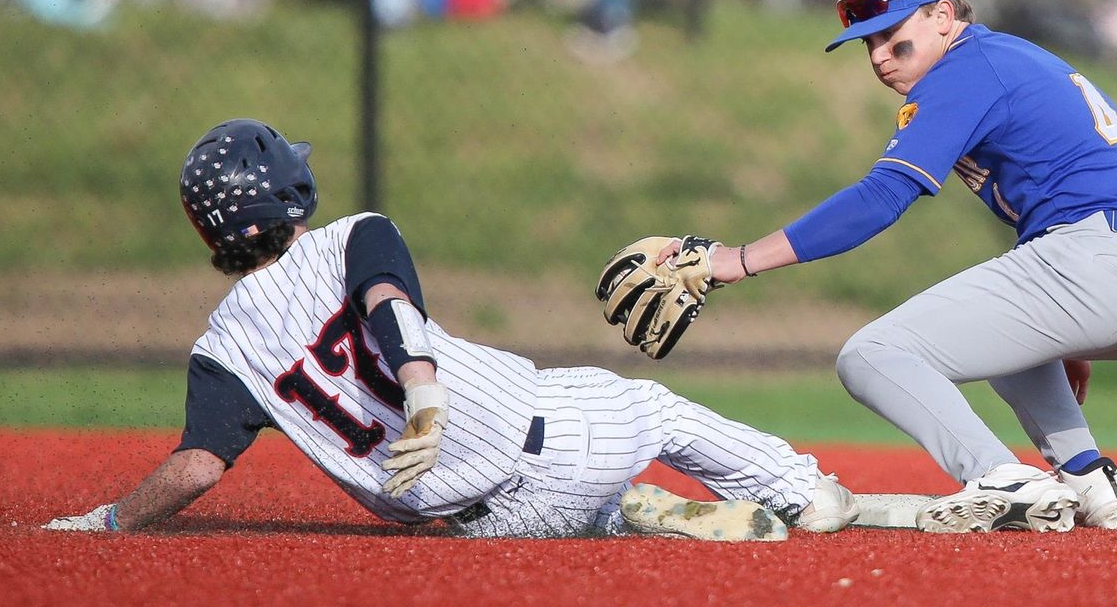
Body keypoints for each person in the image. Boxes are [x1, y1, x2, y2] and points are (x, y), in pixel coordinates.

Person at [43, 118, 858, 540]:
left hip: (476, 526)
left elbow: (192, 471)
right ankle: (806, 492)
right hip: (549, 436)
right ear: (289, 192)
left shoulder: (221, 349)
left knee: (592, 513)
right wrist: (423, 396)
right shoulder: (351, 235)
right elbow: (387, 305)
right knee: (656, 410)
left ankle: (637, 513)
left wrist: (107, 520)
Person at [651, 0, 1117, 533]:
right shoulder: (1006, 59)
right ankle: (1089, 479)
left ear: (943, 17)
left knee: (871, 356)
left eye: (894, 37)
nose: (881, 57)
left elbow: (881, 198)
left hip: (1097, 263)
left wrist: (735, 260)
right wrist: (1073, 332)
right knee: (1002, 345)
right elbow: (1090, 186)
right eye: (869, 44)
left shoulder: (964, 70)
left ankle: (998, 476)